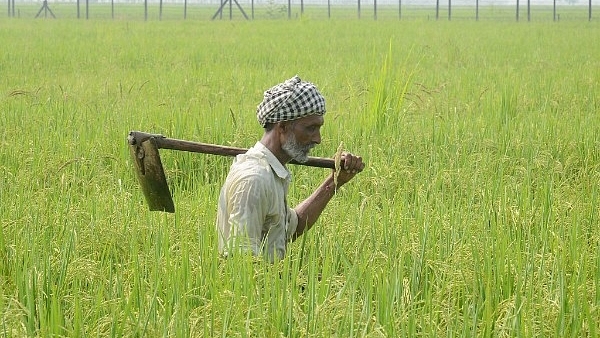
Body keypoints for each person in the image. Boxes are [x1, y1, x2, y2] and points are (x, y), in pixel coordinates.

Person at [216, 75, 365, 262]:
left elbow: (291, 228)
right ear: (284, 127)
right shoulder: (254, 180)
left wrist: (334, 181)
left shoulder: (271, 172)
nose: (318, 139)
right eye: (311, 128)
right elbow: (240, 263)